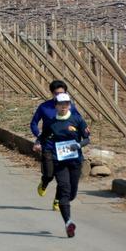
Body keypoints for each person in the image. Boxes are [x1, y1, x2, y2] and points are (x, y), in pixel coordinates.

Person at [33, 93, 90, 238]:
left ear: (69, 105)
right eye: (61, 104)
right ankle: (68, 222)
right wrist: (38, 143)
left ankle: (65, 206)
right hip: (59, 162)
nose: (64, 106)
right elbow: (43, 137)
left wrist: (78, 145)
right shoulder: (51, 123)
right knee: (64, 190)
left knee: (72, 193)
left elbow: (87, 139)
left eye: (66, 104)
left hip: (76, 162)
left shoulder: (77, 120)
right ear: (56, 106)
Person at [30, 80, 82, 211]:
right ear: (52, 94)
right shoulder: (44, 107)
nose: (60, 96)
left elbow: (79, 124)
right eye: (56, 93)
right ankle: (44, 182)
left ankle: (58, 200)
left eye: (63, 93)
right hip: (48, 145)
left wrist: (78, 141)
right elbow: (34, 123)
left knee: (62, 178)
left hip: (65, 147)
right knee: (49, 174)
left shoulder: (71, 107)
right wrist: (39, 137)